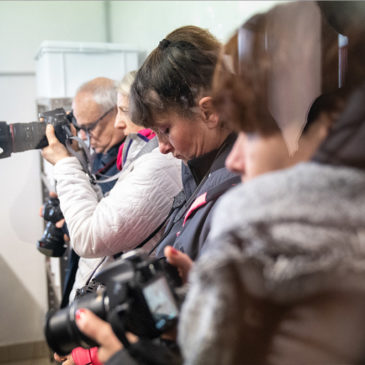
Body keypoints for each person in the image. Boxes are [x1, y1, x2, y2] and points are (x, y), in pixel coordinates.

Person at [74, 2, 365, 365]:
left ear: (314, 130)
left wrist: (127, 360)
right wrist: (207, 304)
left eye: (252, 130)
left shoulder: (296, 249)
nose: (238, 158)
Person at [42, 70, 182, 304]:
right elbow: (105, 209)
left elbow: (89, 237)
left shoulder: (161, 162)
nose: (119, 124)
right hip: (100, 288)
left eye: (125, 111)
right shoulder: (140, 150)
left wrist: (65, 164)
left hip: (117, 297)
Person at [130, 25, 241, 260]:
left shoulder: (235, 199)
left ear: (209, 112)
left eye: (165, 130)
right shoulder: (201, 172)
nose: (162, 146)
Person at [57, 77, 125, 307]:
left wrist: (63, 163)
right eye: (80, 128)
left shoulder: (130, 161)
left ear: (117, 111)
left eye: (90, 127)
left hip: (106, 283)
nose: (84, 137)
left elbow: (101, 224)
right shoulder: (100, 148)